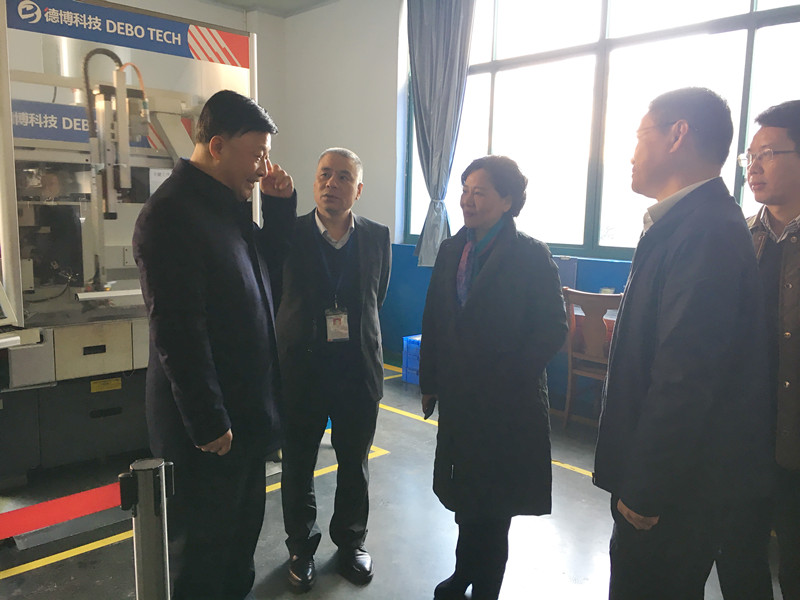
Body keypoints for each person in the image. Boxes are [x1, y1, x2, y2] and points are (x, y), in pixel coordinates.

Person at [592, 87, 775, 600]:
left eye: (640, 135)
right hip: (671, 478)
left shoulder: (706, 231)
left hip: (677, 488)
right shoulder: (684, 222)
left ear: (678, 135)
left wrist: (647, 485)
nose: (631, 153)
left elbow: (685, 374)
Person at [132, 89, 295, 600]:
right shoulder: (171, 215)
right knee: (202, 554)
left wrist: (279, 209)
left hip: (243, 417)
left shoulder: (227, 207)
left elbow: (266, 276)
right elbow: (178, 329)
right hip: (207, 430)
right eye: (256, 155)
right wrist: (207, 419)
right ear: (218, 146)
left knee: (239, 544)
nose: (263, 168)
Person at [419, 155, 568, 600]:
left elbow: (553, 328)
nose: (467, 200)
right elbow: (434, 319)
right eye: (465, 191)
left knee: (495, 504)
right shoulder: (453, 249)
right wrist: (430, 382)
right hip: (461, 399)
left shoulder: (531, 255)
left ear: (507, 200)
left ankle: (486, 587)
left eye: (479, 192)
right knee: (466, 496)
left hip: (507, 405)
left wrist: (511, 376)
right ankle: (463, 571)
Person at [260, 148, 391, 591]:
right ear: (314, 182)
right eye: (324, 175)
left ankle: (351, 543)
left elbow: (376, 297)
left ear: (359, 188)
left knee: (355, 462)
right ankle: (301, 547)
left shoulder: (377, 237)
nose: (331, 183)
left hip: (358, 370)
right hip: (302, 370)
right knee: (298, 464)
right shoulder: (290, 234)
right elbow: (274, 293)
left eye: (343, 177)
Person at [734, 99, 800, 599]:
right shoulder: (737, 238)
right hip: (744, 440)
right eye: (750, 157)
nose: (753, 167)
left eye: (769, 154)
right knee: (739, 562)